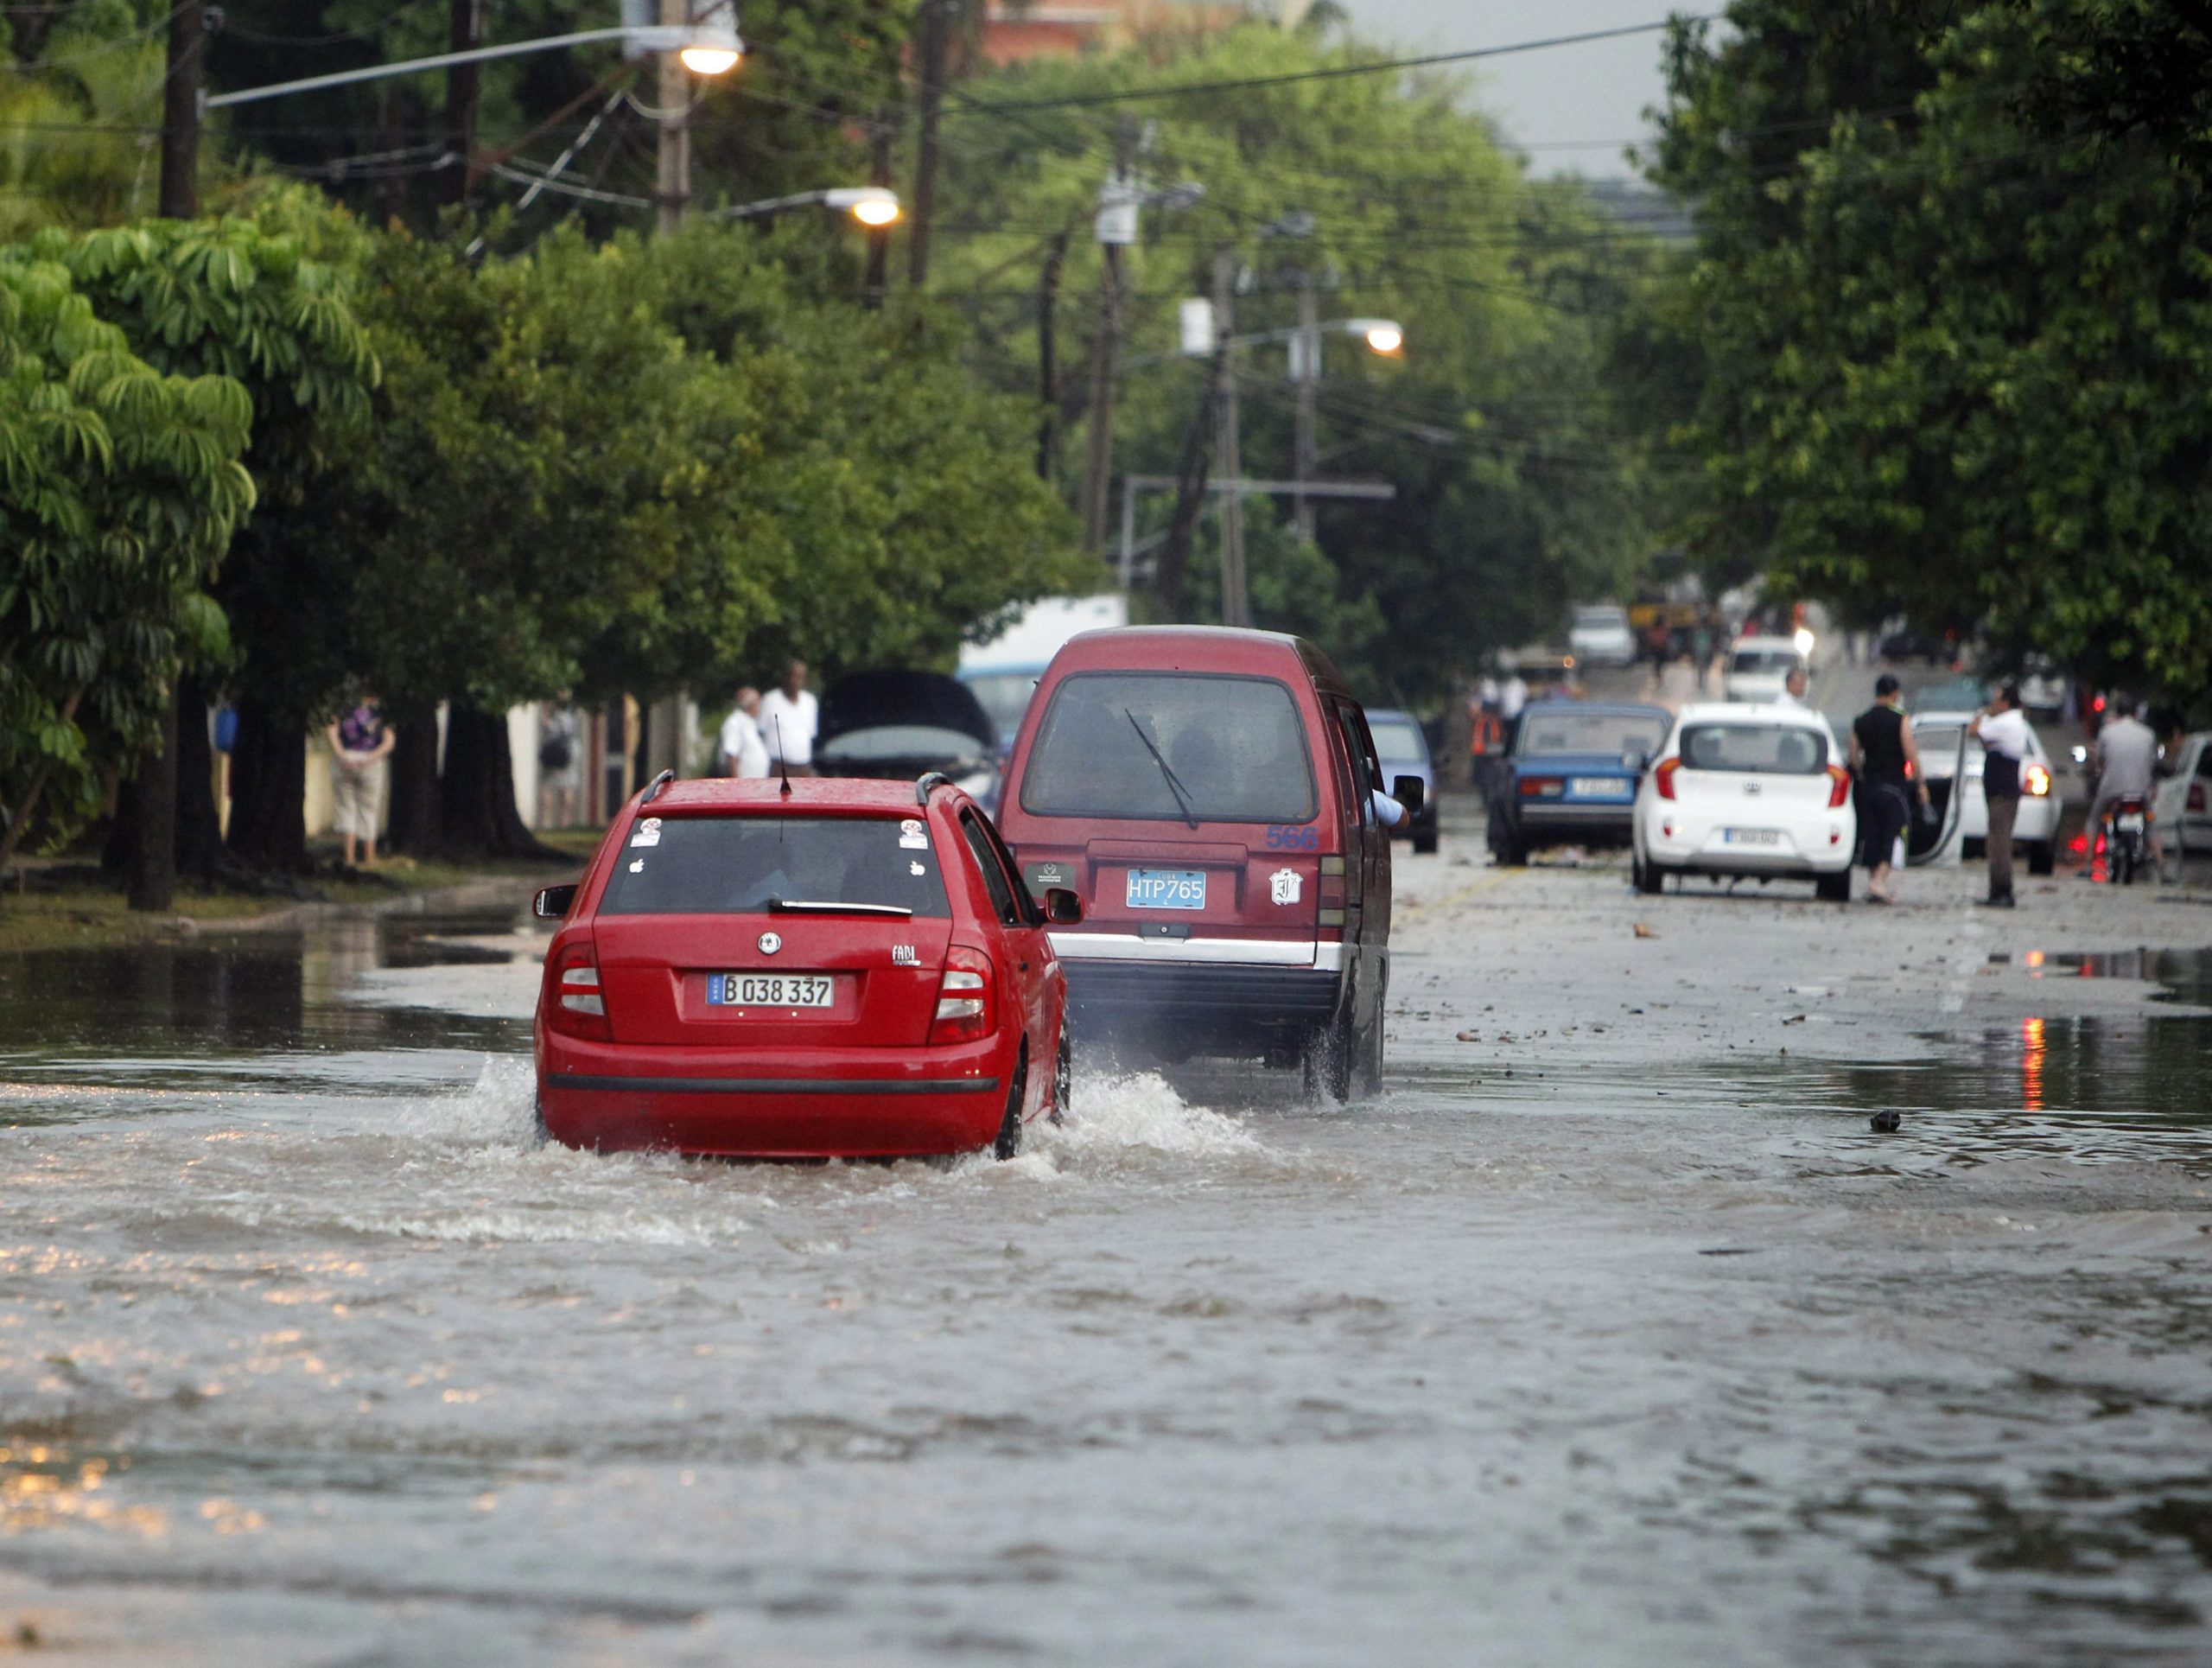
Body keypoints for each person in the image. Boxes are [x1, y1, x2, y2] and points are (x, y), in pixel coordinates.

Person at [1847, 674, 1930, 905]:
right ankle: (1879, 880)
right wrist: (1921, 783)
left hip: (1869, 786)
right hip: (1893, 786)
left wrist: (1862, 772)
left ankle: (1875, 883)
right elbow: (1910, 753)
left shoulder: (1861, 720)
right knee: (1892, 833)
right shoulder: (1900, 719)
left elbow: (1853, 754)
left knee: (1871, 833)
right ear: (1894, 693)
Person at [1968, 683, 2030, 907]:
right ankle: (1998, 889)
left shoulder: (2006, 722)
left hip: (2002, 792)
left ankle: (2002, 891)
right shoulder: (2013, 722)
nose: (1992, 704)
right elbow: (1987, 742)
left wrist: (1981, 714)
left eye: (1996, 700)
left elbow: (1973, 731)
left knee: (1999, 842)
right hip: (2003, 790)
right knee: (1998, 839)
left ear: (2005, 703)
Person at [2086, 696, 2161, 877]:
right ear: (2136, 714)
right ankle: (2161, 864)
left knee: (2094, 820)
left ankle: (2087, 864)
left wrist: (2100, 772)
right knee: (2151, 824)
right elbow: (2153, 763)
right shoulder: (2148, 734)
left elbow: (2099, 762)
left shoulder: (2107, 732)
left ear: (2117, 714)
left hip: (2111, 789)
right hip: (2141, 791)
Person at [325, 691, 395, 868]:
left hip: (345, 759)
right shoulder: (381, 711)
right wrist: (370, 758)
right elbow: (389, 741)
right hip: (371, 761)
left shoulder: (344, 707)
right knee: (369, 809)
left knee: (346, 808)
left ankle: (349, 857)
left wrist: (341, 755)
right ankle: (369, 856)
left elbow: (332, 731)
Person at [759, 659, 819, 777]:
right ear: (785, 677)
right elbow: (761, 731)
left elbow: (811, 734)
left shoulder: (810, 701)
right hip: (777, 766)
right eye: (794, 676)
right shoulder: (770, 700)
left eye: (800, 677)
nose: (796, 681)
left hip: (803, 766)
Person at [717, 686, 769, 779]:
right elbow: (731, 755)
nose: (760, 706)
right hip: (743, 782)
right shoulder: (735, 722)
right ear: (750, 705)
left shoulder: (750, 722)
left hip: (755, 781)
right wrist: (737, 781)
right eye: (757, 702)